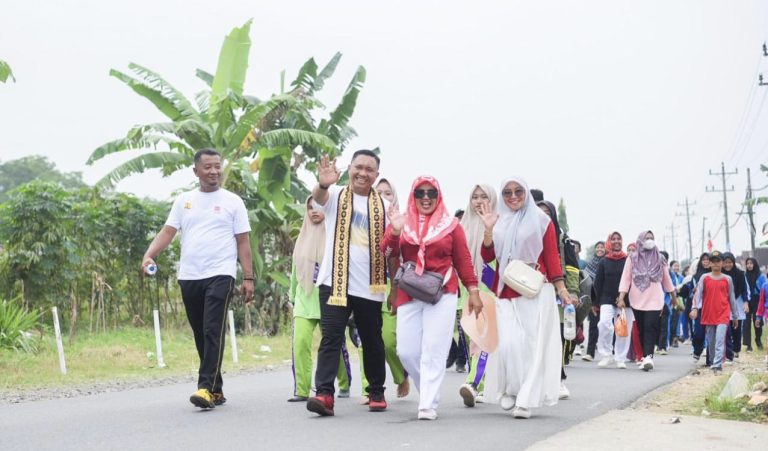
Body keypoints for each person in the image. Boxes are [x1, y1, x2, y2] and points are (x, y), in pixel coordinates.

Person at [141, 148, 253, 409]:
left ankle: (204, 388)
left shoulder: (233, 201)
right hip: (189, 276)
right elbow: (168, 232)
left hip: (221, 274)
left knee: (213, 330)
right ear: (196, 171)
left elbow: (243, 241)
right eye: (208, 167)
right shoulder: (184, 201)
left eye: (217, 166)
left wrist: (248, 277)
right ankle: (216, 389)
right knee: (201, 334)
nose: (214, 171)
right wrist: (148, 255)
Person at [382, 176, 482, 420]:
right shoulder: (402, 221)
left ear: (438, 196)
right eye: (420, 193)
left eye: (431, 193)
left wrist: (473, 291)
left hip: (443, 291)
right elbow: (387, 252)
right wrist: (395, 232)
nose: (425, 198)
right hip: (409, 290)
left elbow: (463, 260)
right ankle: (427, 389)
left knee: (433, 349)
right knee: (406, 351)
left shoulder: (451, 225)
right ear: (413, 196)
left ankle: (427, 403)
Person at [478, 177, 573, 419]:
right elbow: (488, 256)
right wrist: (488, 231)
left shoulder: (542, 222)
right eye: (507, 192)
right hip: (505, 290)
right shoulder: (498, 220)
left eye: (518, 191)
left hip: (534, 290)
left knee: (532, 347)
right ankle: (511, 388)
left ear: (526, 192)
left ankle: (526, 399)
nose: (513, 196)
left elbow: (552, 256)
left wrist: (562, 289)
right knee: (509, 345)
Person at [306, 150, 390, 417]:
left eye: (369, 169)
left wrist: (396, 288)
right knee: (330, 338)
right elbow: (318, 200)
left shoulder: (385, 207)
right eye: (359, 167)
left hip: (370, 286)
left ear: (376, 175)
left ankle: (376, 391)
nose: (363, 173)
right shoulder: (336, 196)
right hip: (334, 282)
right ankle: (324, 395)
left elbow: (393, 249)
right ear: (350, 168)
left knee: (372, 340)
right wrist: (323, 183)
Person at [288, 197, 354, 402]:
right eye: (309, 208)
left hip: (329, 298)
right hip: (304, 297)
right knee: (299, 342)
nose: (313, 212)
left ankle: (343, 383)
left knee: (332, 343)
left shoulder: (338, 237)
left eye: (318, 207)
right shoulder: (303, 236)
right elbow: (295, 270)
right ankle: (301, 389)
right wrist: (291, 296)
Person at [457, 184, 498, 407]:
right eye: (475, 197)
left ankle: (474, 382)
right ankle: (481, 383)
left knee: (483, 337)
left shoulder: (499, 224)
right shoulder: (462, 226)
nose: (479, 201)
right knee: (473, 336)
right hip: (467, 287)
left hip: (490, 286)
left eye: (484, 196)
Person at [536, 199, 580, 400]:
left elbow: (571, 268)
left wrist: (571, 292)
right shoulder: (527, 235)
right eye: (538, 212)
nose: (543, 215)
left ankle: (559, 379)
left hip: (558, 293)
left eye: (547, 212)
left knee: (558, 337)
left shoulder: (563, 239)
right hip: (532, 291)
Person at [617, 231, 677, 371]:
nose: (650, 240)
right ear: (640, 240)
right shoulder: (632, 258)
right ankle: (644, 356)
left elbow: (666, 279)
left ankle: (649, 356)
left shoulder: (660, 258)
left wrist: (673, 297)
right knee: (641, 329)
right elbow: (625, 279)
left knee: (651, 326)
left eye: (652, 238)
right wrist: (621, 298)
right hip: (637, 299)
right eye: (647, 238)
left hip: (655, 299)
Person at [374, 178, 410, 398]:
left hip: (396, 285)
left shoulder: (404, 224)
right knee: (369, 340)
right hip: (368, 285)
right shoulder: (361, 222)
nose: (383, 198)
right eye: (378, 193)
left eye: (388, 193)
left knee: (390, 340)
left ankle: (402, 375)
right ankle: (371, 389)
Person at [690, 251, 740, 374]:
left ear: (722, 263)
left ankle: (718, 364)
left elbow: (731, 298)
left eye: (718, 261)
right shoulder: (704, 278)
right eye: (713, 261)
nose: (716, 263)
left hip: (723, 314)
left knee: (719, 339)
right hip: (708, 314)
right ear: (710, 264)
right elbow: (698, 294)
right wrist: (695, 308)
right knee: (711, 341)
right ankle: (713, 362)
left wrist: (735, 316)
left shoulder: (727, 279)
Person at [593, 232, 631, 369]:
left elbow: (631, 281)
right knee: (604, 324)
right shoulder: (604, 261)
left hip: (624, 301)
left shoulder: (628, 260)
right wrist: (594, 303)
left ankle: (620, 357)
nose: (616, 241)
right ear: (609, 241)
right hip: (606, 299)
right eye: (613, 239)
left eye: (618, 239)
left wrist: (624, 298)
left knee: (622, 330)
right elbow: (598, 283)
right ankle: (606, 355)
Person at [722, 252, 749, 362]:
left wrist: (746, 302)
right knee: (726, 328)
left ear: (733, 262)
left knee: (737, 329)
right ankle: (728, 350)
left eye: (730, 262)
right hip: (724, 303)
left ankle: (736, 349)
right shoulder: (720, 274)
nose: (727, 265)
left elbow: (744, 289)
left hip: (737, 302)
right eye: (725, 262)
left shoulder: (740, 274)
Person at [583, 241, 605, 361]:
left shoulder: (607, 262)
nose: (600, 249)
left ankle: (609, 353)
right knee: (593, 326)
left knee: (607, 327)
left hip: (606, 299)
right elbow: (586, 283)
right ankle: (590, 353)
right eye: (598, 247)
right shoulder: (590, 264)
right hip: (594, 299)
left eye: (602, 247)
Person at [744, 257, 765, 351]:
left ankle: (758, 340)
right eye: (747, 263)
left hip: (758, 300)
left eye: (751, 263)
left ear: (755, 264)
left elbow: (764, 290)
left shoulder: (761, 275)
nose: (749, 265)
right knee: (746, 323)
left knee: (758, 322)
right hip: (747, 301)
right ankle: (748, 345)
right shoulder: (744, 275)